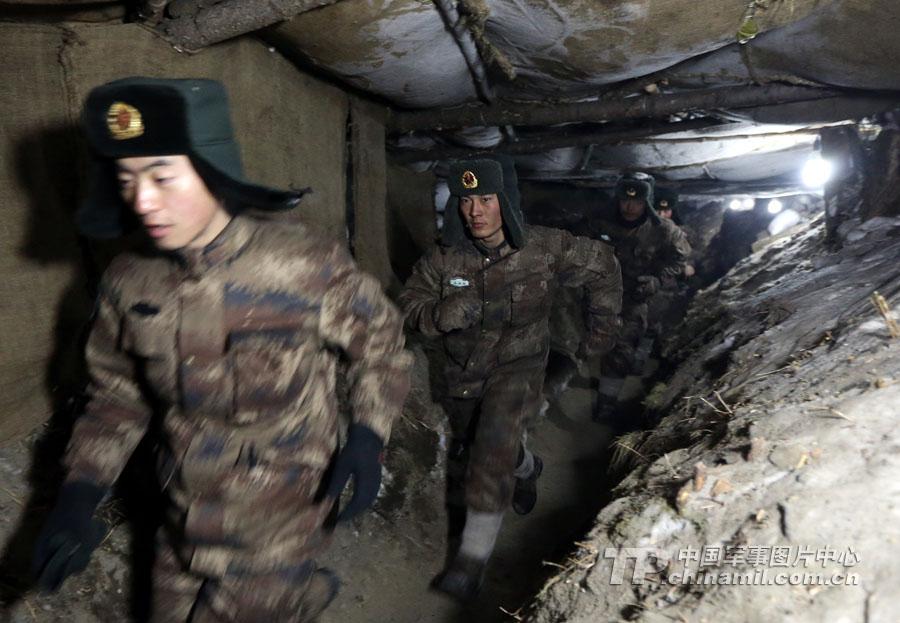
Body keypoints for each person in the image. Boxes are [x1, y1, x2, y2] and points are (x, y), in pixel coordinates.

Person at [30, 77, 412, 623]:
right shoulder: (129, 281)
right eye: (127, 178)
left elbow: (382, 348)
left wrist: (368, 433)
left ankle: (292, 590)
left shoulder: (302, 264)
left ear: (212, 169)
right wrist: (80, 492)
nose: (142, 200)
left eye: (162, 176)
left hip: (280, 519)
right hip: (181, 514)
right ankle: (301, 600)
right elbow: (117, 397)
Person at [398, 156, 622, 600]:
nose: (475, 211)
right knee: (479, 439)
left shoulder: (544, 248)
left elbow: (603, 264)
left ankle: (471, 559)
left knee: (493, 438)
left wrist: (601, 330)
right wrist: (438, 314)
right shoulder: (443, 260)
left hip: (521, 366)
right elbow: (408, 304)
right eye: (465, 201)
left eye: (485, 199)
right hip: (462, 375)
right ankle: (528, 466)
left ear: (506, 201)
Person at [586, 173, 690, 421]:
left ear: (648, 202)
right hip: (596, 297)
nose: (629, 206)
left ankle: (606, 403)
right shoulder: (599, 223)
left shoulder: (664, 231)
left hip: (633, 300)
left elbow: (679, 259)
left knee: (620, 352)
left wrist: (657, 278)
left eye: (637, 201)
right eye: (624, 200)